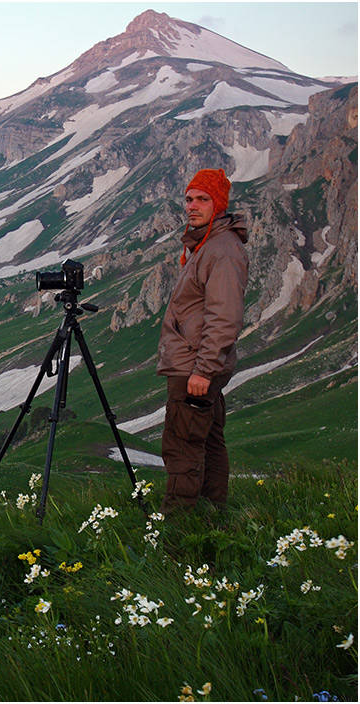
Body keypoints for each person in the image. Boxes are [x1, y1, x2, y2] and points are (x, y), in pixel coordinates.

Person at [157, 168, 249, 514]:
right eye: (189, 199)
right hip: (198, 362)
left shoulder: (222, 251)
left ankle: (178, 536)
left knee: (182, 449)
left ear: (219, 204)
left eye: (203, 199)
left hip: (196, 366)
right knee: (208, 444)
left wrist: (204, 370)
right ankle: (212, 520)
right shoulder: (209, 244)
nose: (192, 206)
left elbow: (225, 317)